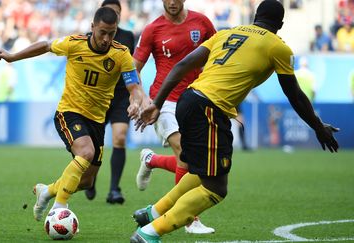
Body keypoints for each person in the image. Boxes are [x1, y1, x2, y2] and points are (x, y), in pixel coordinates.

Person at [131, 1, 339, 242]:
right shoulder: (277, 47)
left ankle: (153, 212)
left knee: (201, 171)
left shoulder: (228, 33)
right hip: (209, 108)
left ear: (254, 16)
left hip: (189, 99)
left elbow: (182, 64)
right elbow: (294, 94)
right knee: (216, 187)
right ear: (281, 24)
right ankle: (151, 232)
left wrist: (157, 102)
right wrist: (317, 126)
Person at [0, 7, 147, 222]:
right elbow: (45, 46)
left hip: (97, 120)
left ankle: (47, 191)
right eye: (102, 32)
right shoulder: (75, 44)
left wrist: (135, 102)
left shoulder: (121, 53)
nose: (106, 38)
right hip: (69, 113)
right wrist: (13, 57)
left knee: (86, 181)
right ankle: (59, 208)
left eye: (111, 33)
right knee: (85, 153)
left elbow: (134, 87)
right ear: (92, 27)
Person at [133, 0, 217, 234]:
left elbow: (218, 53)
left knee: (195, 161)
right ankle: (190, 219)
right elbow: (133, 67)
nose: (171, 2)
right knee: (184, 153)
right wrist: (139, 97)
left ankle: (152, 160)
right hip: (164, 101)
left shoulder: (202, 23)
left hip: (196, 98)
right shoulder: (153, 29)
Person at [84, 0, 136, 205]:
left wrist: (136, 95)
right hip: (97, 96)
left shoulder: (128, 37)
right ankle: (90, 179)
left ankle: (114, 189)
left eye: (116, 12)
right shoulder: (91, 38)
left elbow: (131, 68)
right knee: (93, 144)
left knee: (120, 138)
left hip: (121, 96)